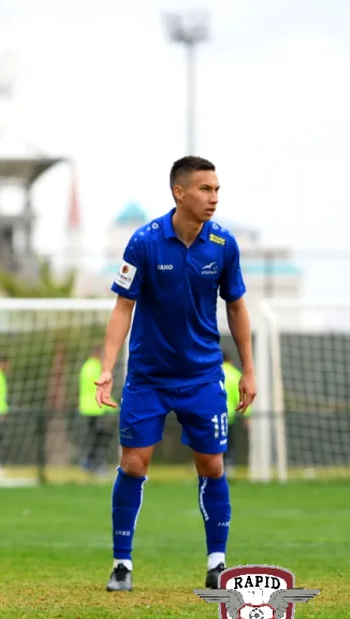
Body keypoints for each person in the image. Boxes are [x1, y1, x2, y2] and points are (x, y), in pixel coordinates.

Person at [95, 156, 256, 593]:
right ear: (179, 192)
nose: (214, 198)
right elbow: (122, 308)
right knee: (133, 462)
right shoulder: (143, 242)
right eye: (205, 189)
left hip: (204, 377)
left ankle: (218, 564)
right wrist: (108, 369)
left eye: (217, 189)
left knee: (212, 465)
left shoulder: (224, 245)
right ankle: (122, 564)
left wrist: (247, 370)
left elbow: (237, 306)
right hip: (147, 377)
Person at [78, 346, 114, 475]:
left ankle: (88, 462)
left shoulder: (86, 367)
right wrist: (112, 405)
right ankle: (96, 464)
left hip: (87, 408)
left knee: (93, 437)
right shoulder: (96, 368)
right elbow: (102, 389)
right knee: (101, 437)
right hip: (97, 408)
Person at [221, 350, 249, 475]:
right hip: (229, 416)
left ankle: (210, 469)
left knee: (211, 443)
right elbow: (242, 396)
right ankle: (228, 467)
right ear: (230, 360)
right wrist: (247, 415)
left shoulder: (212, 373)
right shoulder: (235, 374)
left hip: (210, 415)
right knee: (228, 442)